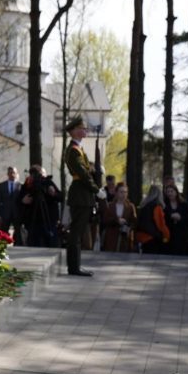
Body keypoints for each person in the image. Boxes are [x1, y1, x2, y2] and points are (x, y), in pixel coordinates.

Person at [64, 116, 104, 276]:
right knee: (76, 232)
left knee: (78, 232)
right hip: (80, 194)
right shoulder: (73, 150)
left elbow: (86, 171)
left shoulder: (78, 149)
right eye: (82, 128)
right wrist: (96, 190)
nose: (85, 130)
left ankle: (75, 266)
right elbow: (82, 174)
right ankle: (74, 267)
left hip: (83, 194)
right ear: (74, 131)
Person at [19, 165, 63, 248]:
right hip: (33, 220)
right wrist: (23, 200)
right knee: (34, 243)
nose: (37, 177)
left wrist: (54, 194)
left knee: (51, 242)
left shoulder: (48, 183)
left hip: (49, 220)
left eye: (39, 174)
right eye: (33, 174)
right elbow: (19, 200)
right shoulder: (28, 184)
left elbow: (61, 197)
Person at [102, 182, 137, 253]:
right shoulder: (110, 206)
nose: (124, 194)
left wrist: (128, 227)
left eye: (125, 192)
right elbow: (105, 220)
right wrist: (117, 220)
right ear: (116, 193)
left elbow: (134, 221)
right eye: (121, 192)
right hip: (111, 238)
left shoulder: (130, 206)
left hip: (125, 239)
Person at [135, 185, 171, 254]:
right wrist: (166, 235)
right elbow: (161, 224)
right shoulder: (156, 207)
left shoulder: (143, 205)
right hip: (151, 238)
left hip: (142, 236)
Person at [163, 184, 188, 255]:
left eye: (171, 191)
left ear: (176, 192)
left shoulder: (184, 204)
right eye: (168, 192)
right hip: (169, 233)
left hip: (181, 234)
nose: (170, 193)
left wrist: (180, 218)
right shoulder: (164, 205)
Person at [0, 166, 21, 237]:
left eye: (14, 173)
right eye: (10, 173)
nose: (12, 174)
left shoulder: (20, 186)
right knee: (3, 232)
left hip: (17, 213)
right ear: (7, 174)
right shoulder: (2, 185)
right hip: (5, 213)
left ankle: (17, 245)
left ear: (16, 173)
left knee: (18, 232)